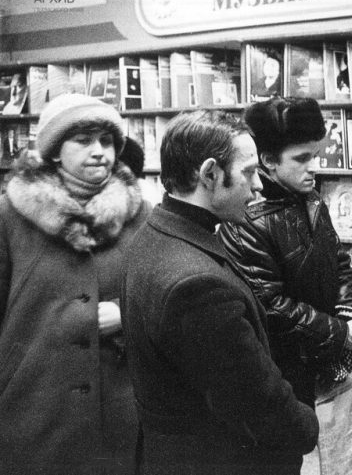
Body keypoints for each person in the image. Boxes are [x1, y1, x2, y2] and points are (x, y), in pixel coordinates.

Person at [121, 110, 318, 475]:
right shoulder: (197, 286)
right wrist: (308, 426)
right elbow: (256, 403)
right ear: (210, 174)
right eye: (249, 172)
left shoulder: (154, 234)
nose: (259, 185)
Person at [0, 93, 149, 474]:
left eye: (107, 141)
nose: (99, 152)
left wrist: (127, 314)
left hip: (119, 410)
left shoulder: (140, 215)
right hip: (34, 407)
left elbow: (163, 298)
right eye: (83, 141)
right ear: (54, 151)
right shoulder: (10, 216)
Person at [219, 97, 352, 411]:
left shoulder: (311, 199)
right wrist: (341, 333)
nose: (314, 167)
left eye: (315, 155)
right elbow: (271, 306)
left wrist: (349, 316)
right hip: (284, 373)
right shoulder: (245, 218)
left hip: (322, 359)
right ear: (269, 161)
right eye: (301, 158)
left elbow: (340, 262)